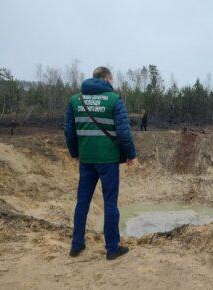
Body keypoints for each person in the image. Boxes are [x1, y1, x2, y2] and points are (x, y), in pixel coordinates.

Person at [64, 66, 136, 260]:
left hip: (86, 160)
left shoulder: (75, 100)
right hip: (108, 161)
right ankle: (112, 249)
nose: (112, 82)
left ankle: (76, 245)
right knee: (110, 204)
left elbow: (69, 131)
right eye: (111, 79)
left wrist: (75, 153)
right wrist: (130, 155)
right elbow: (124, 132)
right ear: (107, 79)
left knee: (82, 202)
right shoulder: (114, 100)